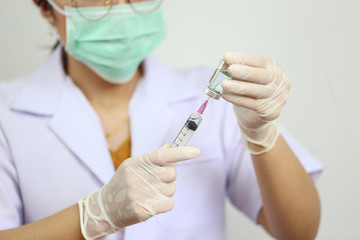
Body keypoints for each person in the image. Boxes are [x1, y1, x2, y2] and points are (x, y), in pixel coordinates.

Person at [0, 0, 323, 239]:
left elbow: (298, 231)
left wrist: (263, 134)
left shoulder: (218, 98)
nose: (121, 8)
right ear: (45, 8)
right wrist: (91, 217)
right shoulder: (6, 113)